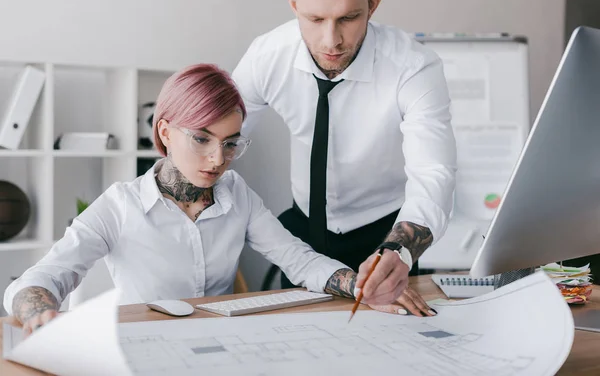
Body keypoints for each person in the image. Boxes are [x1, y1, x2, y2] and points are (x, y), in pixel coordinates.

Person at [3, 64, 435, 337]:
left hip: (220, 348)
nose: (217, 160)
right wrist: (42, 315)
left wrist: (363, 288)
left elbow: (298, 260)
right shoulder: (120, 205)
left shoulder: (236, 194)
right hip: (143, 349)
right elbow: (37, 282)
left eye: (230, 143)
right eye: (202, 139)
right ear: (166, 131)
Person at [232, 0, 457, 313]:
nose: (331, 40)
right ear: (293, 3)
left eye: (348, 18)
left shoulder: (413, 66)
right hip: (303, 232)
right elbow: (215, 139)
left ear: (373, 3)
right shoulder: (267, 56)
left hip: (386, 234)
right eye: (315, 19)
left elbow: (433, 174)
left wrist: (399, 250)